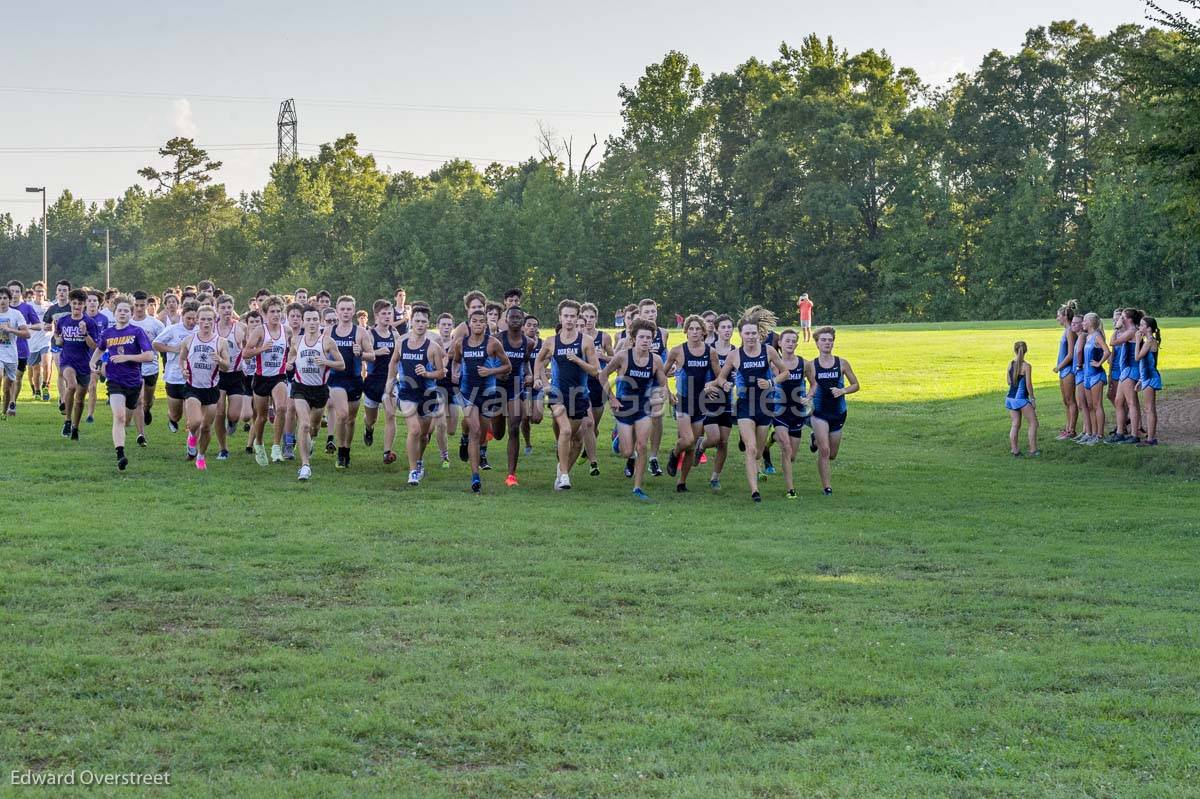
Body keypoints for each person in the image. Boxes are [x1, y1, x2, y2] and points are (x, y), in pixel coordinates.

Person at [709, 313, 789, 502]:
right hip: (745, 406)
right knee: (751, 449)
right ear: (741, 334)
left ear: (758, 334)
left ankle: (748, 444)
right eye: (747, 333)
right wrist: (725, 384)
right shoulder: (735, 355)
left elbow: (785, 372)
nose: (751, 336)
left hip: (765, 406)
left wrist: (770, 382)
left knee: (758, 452)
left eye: (754, 333)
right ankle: (755, 491)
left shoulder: (768, 350)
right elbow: (721, 377)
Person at [602, 319, 674, 500]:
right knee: (627, 451)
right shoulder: (623, 356)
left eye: (649, 338)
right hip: (624, 407)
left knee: (642, 446)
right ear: (634, 338)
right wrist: (611, 398)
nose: (645, 341)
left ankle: (637, 487)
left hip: (643, 407)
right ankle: (619, 440)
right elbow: (602, 375)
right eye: (642, 337)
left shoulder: (656, 360)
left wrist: (666, 394)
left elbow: (662, 382)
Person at [533, 300, 600, 490]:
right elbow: (539, 361)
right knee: (566, 431)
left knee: (577, 441)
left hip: (579, 394)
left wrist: (578, 360)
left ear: (577, 318)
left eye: (572, 316)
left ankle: (562, 471)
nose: (569, 320)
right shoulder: (551, 341)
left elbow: (595, 370)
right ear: (560, 317)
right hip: (557, 393)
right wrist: (543, 382)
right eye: (566, 316)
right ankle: (564, 476)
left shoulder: (585, 342)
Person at [448, 308, 511, 493]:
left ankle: (464, 436)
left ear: (486, 324)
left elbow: (507, 366)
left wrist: (491, 371)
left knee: (482, 434)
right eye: (474, 321)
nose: (477, 324)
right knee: (475, 430)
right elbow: (456, 360)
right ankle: (475, 477)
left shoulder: (493, 343)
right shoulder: (461, 343)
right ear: (469, 323)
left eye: (481, 321)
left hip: (488, 393)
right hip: (468, 393)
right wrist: (454, 372)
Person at [88, 294, 154, 470]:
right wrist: (92, 362)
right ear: (114, 313)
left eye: (126, 310)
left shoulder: (137, 332)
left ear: (131, 314)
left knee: (128, 414)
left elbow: (149, 356)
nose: (122, 313)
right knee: (119, 416)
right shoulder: (108, 333)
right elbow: (99, 349)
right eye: (120, 310)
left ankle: (135, 432)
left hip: (133, 382)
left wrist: (127, 357)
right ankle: (120, 454)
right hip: (114, 380)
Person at [385, 303, 446, 486]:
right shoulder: (401, 343)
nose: (420, 324)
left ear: (428, 324)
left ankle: (419, 461)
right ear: (411, 322)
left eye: (423, 321)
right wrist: (389, 385)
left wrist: (427, 374)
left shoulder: (433, 347)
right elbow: (393, 362)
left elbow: (441, 373)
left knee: (424, 435)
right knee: (415, 430)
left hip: (428, 394)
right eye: (417, 321)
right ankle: (413, 471)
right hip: (407, 392)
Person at [662, 315, 720, 491]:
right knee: (687, 440)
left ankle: (682, 482)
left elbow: (720, 376)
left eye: (698, 329)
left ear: (704, 331)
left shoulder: (710, 352)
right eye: (691, 329)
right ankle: (674, 453)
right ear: (685, 331)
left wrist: (712, 385)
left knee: (692, 445)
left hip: (701, 402)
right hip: (683, 401)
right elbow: (662, 374)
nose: (695, 332)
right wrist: (668, 392)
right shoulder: (677, 351)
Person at [288, 305, 345, 480]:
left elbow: (342, 364)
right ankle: (305, 465)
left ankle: (311, 440)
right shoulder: (296, 340)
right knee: (304, 424)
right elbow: (291, 357)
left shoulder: (327, 341)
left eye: (314, 319)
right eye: (308, 319)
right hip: (300, 388)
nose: (312, 323)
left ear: (319, 321)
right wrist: (289, 364)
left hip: (320, 390)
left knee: (313, 427)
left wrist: (326, 362)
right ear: (303, 322)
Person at [804, 326, 860, 495]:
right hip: (819, 413)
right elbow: (809, 386)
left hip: (838, 412)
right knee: (825, 450)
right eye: (823, 340)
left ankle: (814, 440)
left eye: (830, 340)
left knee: (833, 454)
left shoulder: (842, 363)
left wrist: (843, 391)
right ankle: (827, 487)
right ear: (817, 343)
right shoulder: (811, 365)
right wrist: (808, 397)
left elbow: (856, 385)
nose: (827, 343)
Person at [179, 304, 230, 470]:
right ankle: (192, 436)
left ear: (214, 321)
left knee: (206, 427)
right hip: (193, 387)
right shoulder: (189, 340)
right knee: (195, 422)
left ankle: (200, 456)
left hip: (211, 389)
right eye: (203, 319)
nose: (206, 323)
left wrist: (220, 360)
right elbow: (182, 359)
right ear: (197, 321)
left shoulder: (221, 342)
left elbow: (227, 367)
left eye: (209, 319)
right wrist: (183, 370)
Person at [326, 295, 375, 469]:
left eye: (349, 309)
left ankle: (347, 449)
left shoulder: (360, 332)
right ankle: (340, 451)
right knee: (342, 415)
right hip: (336, 379)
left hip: (354, 380)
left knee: (351, 420)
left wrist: (361, 352)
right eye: (342, 309)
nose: (345, 312)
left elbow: (372, 355)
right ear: (337, 311)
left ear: (353, 311)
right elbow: (321, 352)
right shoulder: (329, 331)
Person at [243, 296, 291, 465]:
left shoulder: (287, 331)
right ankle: (259, 444)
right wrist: (262, 348)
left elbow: (292, 350)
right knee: (261, 417)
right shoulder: (260, 331)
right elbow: (246, 353)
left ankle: (276, 447)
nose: (276, 315)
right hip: (261, 377)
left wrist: (290, 361)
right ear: (264, 313)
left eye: (278, 311)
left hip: (279, 376)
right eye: (272, 312)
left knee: (282, 408)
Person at [492, 305, 534, 486]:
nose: (516, 320)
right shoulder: (496, 339)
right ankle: (492, 426)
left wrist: (530, 375)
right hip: (495, 388)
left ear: (523, 321)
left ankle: (511, 475)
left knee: (514, 428)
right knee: (498, 433)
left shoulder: (529, 343)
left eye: (519, 318)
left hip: (515, 387)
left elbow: (525, 363)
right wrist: (497, 372)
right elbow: (486, 363)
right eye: (513, 317)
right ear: (506, 320)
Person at [770, 329, 812, 499]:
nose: (790, 343)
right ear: (780, 343)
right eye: (786, 340)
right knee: (786, 449)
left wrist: (808, 397)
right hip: (779, 410)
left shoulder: (805, 364)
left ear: (796, 344)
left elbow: (814, 383)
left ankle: (772, 438)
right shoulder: (774, 364)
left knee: (792, 455)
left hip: (797, 411)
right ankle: (790, 489)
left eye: (793, 340)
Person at [53, 289, 101, 439]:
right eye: (74, 303)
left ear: (84, 305)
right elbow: (58, 338)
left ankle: (75, 427)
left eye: (80, 303)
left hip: (84, 365)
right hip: (67, 361)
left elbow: (94, 346)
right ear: (70, 303)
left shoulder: (89, 322)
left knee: (80, 400)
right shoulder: (63, 321)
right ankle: (67, 421)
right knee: (71, 386)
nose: (77, 306)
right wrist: (58, 340)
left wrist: (85, 333)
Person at [153, 300, 199, 437]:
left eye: (194, 318)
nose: (191, 322)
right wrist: (173, 349)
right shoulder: (173, 329)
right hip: (174, 377)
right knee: (176, 414)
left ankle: (191, 437)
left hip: (193, 377)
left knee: (191, 416)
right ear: (182, 316)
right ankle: (172, 419)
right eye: (188, 318)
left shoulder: (200, 330)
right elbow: (155, 344)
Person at [362, 300, 399, 460]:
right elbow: (362, 355)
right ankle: (368, 429)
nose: (387, 316)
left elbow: (401, 357)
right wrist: (376, 352)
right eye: (383, 313)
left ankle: (387, 452)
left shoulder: (395, 334)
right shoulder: (370, 334)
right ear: (376, 316)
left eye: (389, 313)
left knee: (390, 414)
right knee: (372, 419)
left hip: (390, 382)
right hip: (372, 382)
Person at [703, 314, 736, 491]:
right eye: (723, 327)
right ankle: (702, 445)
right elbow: (700, 375)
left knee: (723, 442)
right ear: (716, 329)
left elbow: (740, 377)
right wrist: (706, 387)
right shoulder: (708, 350)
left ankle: (715, 478)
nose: (726, 330)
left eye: (729, 327)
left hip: (728, 401)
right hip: (710, 400)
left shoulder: (737, 352)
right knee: (714, 438)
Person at [214, 294, 248, 460]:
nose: (227, 311)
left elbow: (249, 348)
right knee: (219, 412)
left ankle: (233, 422)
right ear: (217, 309)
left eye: (229, 307)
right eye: (223, 308)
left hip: (236, 375)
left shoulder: (240, 327)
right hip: (217, 375)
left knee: (234, 415)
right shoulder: (210, 327)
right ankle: (223, 448)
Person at [129, 291, 164, 447]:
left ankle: (148, 409)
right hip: (134, 367)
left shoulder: (155, 324)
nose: (139, 308)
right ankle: (141, 435)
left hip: (151, 367)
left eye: (142, 305)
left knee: (147, 401)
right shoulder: (128, 323)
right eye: (136, 305)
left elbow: (162, 343)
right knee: (139, 400)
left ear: (147, 305)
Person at [578, 302, 609, 476]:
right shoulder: (575, 337)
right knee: (587, 423)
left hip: (598, 383)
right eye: (586, 317)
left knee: (594, 426)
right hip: (583, 384)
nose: (588, 320)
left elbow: (615, 359)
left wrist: (602, 356)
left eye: (591, 317)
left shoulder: (603, 337)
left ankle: (587, 448)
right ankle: (593, 460)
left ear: (596, 318)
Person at [1079, 313, 1110, 447]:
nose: (1082, 323)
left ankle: (1100, 435)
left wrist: (1099, 363)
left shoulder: (1097, 336)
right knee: (1090, 406)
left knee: (1097, 405)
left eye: (1084, 321)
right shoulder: (1088, 337)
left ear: (1091, 322)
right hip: (1087, 375)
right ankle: (1092, 434)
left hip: (1096, 375)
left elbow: (1107, 351)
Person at [0, 287, 31, 416]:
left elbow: (27, 334)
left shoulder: (16, 314)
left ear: (9, 299)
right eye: (0, 298)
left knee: (7, 388)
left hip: (12, 355)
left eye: (5, 298)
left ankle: (3, 412)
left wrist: (11, 330)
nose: (2, 301)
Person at [43, 279, 73, 409]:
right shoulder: (52, 309)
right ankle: (62, 400)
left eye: (64, 290)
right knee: (61, 371)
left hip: (72, 343)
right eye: (59, 290)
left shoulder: (72, 307)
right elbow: (46, 324)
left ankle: (68, 395)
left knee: (70, 372)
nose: (62, 293)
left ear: (68, 293)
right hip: (56, 343)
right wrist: (47, 327)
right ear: (56, 292)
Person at [1005, 341, 1038, 457]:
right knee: (1033, 423)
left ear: (1015, 350)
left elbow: (1009, 381)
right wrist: (1032, 399)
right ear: (1026, 351)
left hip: (1010, 398)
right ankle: (1033, 450)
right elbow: (1028, 385)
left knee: (1015, 424)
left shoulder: (1010, 364)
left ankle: (1015, 450)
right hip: (1021, 399)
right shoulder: (1026, 366)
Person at [1052, 300, 1079, 441]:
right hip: (1063, 370)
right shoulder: (1065, 331)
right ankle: (1067, 427)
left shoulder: (1070, 332)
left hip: (1068, 370)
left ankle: (1072, 430)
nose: (1057, 318)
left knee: (1070, 399)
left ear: (1065, 316)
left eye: (1058, 315)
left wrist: (1059, 366)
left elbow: (1070, 355)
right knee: (1065, 400)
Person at [1135, 316, 1162, 446]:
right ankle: (1151, 437)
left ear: (1149, 328)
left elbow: (1137, 357)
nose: (1139, 327)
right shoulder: (1149, 341)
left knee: (1149, 408)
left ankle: (1151, 439)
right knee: (1149, 408)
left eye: (1141, 325)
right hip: (1147, 377)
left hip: (1150, 377)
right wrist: (1140, 379)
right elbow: (1146, 362)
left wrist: (1136, 341)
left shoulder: (1149, 341)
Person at [520, 313, 544, 455]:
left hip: (537, 385)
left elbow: (548, 363)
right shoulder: (519, 344)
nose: (532, 327)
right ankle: (528, 443)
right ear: (523, 327)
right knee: (524, 417)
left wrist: (544, 374)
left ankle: (529, 417)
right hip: (523, 385)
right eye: (529, 325)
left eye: (535, 325)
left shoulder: (543, 344)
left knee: (536, 418)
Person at [26, 281, 52, 402]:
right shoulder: (29, 306)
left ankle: (46, 387)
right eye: (38, 290)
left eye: (42, 291)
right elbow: (25, 324)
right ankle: (37, 391)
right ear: (34, 292)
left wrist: (52, 326)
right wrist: (35, 327)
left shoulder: (50, 306)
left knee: (46, 364)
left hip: (46, 339)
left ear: (45, 292)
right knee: (36, 369)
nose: (40, 293)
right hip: (33, 341)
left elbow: (55, 321)